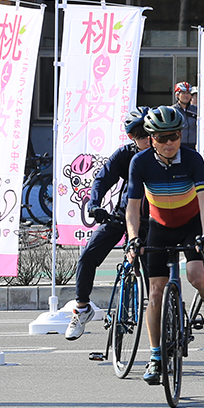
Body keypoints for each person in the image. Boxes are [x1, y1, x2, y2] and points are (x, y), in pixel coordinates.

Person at [123, 106, 204, 385]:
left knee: (196, 276)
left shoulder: (193, 159)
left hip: (190, 225)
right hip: (158, 227)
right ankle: (155, 356)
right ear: (151, 138)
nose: (169, 143)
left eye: (174, 136)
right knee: (155, 293)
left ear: (181, 135)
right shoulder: (140, 162)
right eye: (162, 138)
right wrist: (133, 239)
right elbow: (133, 207)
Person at [64, 107, 152, 341]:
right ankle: (82, 309)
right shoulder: (124, 155)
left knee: (155, 273)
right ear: (131, 136)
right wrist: (94, 205)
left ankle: (167, 317)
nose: (147, 139)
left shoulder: (164, 154)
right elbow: (102, 180)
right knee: (87, 255)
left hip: (153, 221)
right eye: (141, 135)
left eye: (150, 133)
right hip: (122, 216)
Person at [172, 81, 198, 149]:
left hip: (194, 145)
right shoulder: (172, 110)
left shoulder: (196, 110)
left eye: (188, 93)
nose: (186, 95)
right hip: (178, 145)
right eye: (183, 93)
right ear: (177, 95)